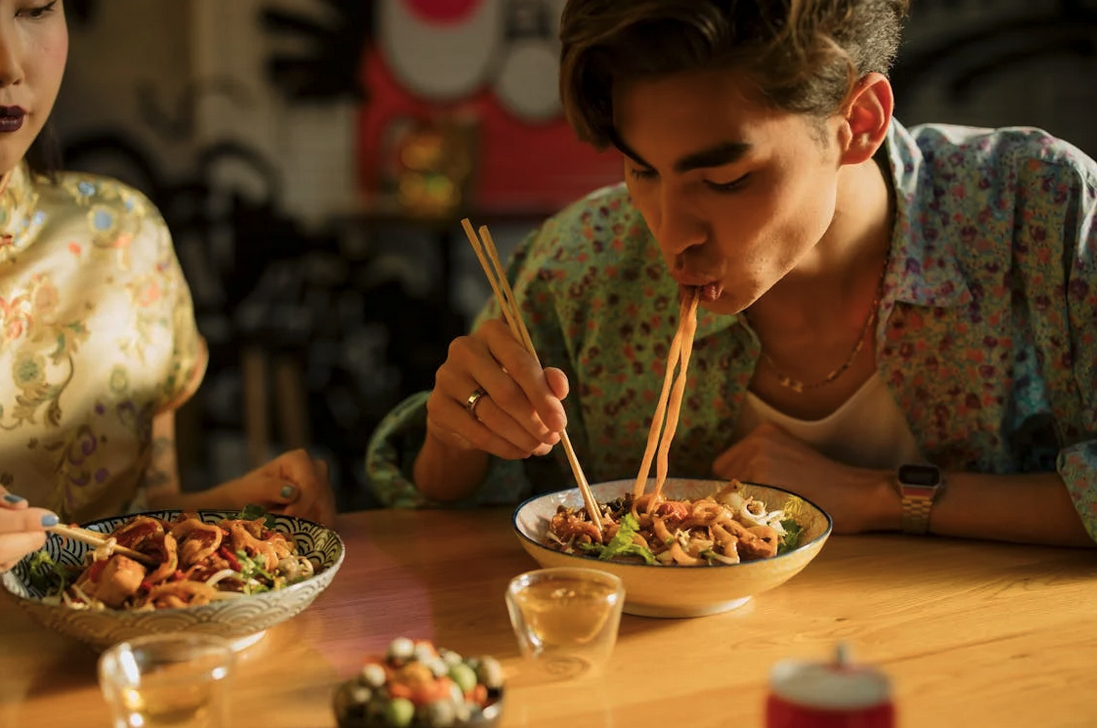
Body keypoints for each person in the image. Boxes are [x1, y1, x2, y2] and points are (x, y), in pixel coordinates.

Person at [366, 0, 1097, 548]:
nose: (670, 236)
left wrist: (875, 497)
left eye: (725, 180)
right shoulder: (580, 265)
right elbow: (457, 529)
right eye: (640, 170)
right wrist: (456, 439)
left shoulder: (1033, 209)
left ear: (860, 122)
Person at [0, 0, 335, 572]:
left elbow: (143, 513)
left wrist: (235, 512)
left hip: (121, 657)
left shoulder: (124, 236)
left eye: (34, 9)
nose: (8, 63)